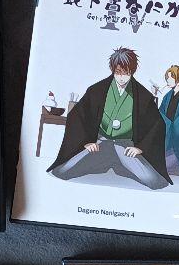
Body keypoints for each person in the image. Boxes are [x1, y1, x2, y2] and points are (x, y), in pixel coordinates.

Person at [47, 47, 171, 190]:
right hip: (100, 144)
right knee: (62, 171)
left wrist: (140, 147)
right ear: (113, 70)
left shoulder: (143, 96)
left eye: (126, 73)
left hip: (124, 146)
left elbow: (157, 124)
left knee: (154, 181)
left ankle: (118, 164)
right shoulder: (97, 90)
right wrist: (86, 142)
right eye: (118, 72)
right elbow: (77, 116)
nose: (122, 77)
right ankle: (109, 163)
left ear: (132, 71)